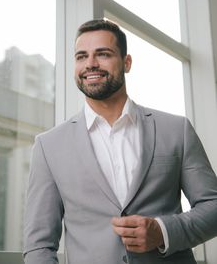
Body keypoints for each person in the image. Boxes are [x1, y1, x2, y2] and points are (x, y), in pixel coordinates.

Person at [23, 18, 217, 264]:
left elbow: (213, 206)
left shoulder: (177, 130)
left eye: (103, 54)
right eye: (81, 56)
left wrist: (163, 231)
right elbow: (38, 246)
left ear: (127, 63)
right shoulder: (48, 146)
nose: (90, 64)